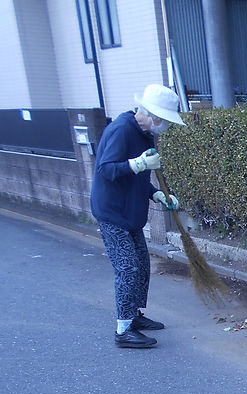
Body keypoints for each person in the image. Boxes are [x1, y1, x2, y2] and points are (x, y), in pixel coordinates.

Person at [91, 83, 185, 349]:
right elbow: (106, 170)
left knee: (142, 267)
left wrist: (156, 194)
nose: (164, 125)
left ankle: (134, 315)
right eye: (163, 120)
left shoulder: (145, 134)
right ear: (151, 114)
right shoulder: (121, 130)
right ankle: (123, 329)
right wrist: (139, 163)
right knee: (128, 269)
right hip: (112, 212)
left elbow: (138, 179)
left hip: (131, 211)